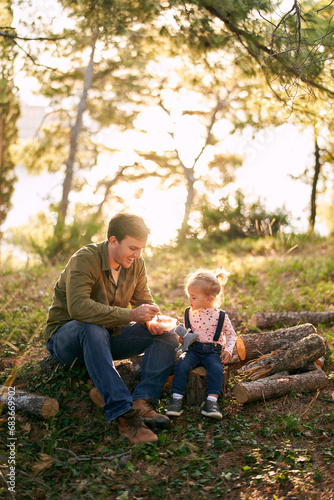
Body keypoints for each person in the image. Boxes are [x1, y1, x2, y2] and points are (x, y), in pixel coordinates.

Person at [44, 213, 179, 444]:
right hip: (67, 338)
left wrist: (152, 321)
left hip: (106, 336)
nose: (137, 255)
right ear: (113, 241)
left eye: (141, 249)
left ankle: (142, 401)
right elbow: (78, 308)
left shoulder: (135, 264)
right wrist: (130, 315)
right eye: (133, 248)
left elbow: (142, 301)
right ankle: (124, 415)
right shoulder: (85, 259)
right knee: (92, 324)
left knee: (168, 337)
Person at [166, 268, 237, 420]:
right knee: (182, 365)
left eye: (193, 297)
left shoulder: (221, 316)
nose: (189, 301)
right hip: (193, 349)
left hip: (213, 351)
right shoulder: (189, 312)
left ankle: (211, 402)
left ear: (208, 299)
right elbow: (187, 331)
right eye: (189, 297)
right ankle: (176, 399)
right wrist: (182, 337)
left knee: (216, 369)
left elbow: (231, 334)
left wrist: (229, 350)